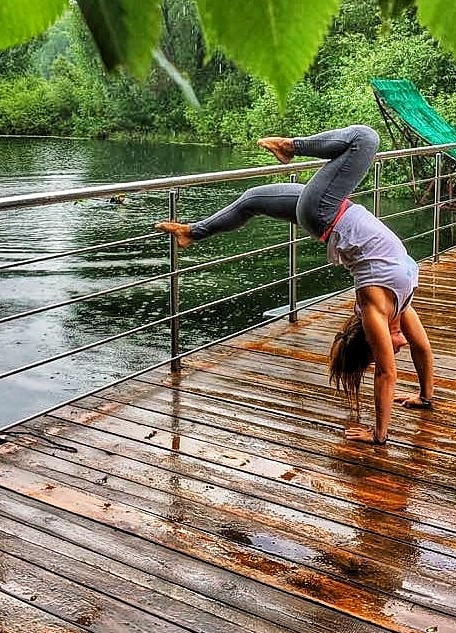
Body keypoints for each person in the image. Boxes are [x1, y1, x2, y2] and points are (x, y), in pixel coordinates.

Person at [156, 125, 434, 446]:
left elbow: (386, 373)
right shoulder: (401, 300)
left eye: (391, 344)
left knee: (366, 139)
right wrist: (425, 397)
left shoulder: (374, 306)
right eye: (398, 343)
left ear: (376, 340)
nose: (399, 344)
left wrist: (379, 435)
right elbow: (422, 348)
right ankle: (192, 233)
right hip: (330, 209)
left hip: (324, 212)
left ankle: (291, 146)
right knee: (252, 200)